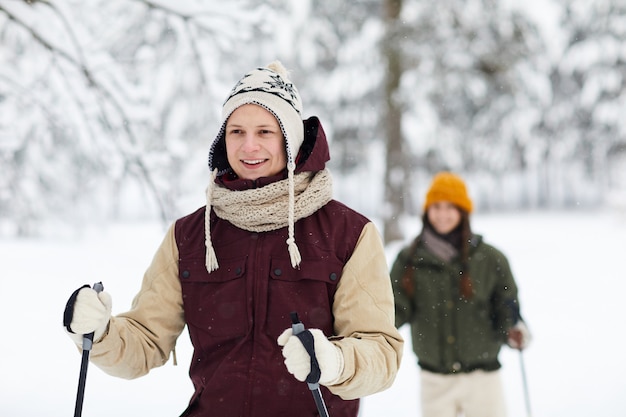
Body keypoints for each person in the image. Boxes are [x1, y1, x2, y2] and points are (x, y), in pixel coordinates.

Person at [63, 61, 403, 417]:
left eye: (265, 132)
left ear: (291, 139)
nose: (249, 147)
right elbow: (146, 342)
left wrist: (334, 361)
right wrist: (99, 334)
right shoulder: (191, 236)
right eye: (237, 132)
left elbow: (381, 353)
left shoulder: (347, 234)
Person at [390, 172, 531, 417]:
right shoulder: (409, 259)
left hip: (482, 378)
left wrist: (513, 330)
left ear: (463, 212)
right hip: (434, 379)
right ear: (426, 211)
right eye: (436, 206)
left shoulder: (490, 259)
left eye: (450, 207)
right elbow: (393, 308)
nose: (442, 214)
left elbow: (507, 307)